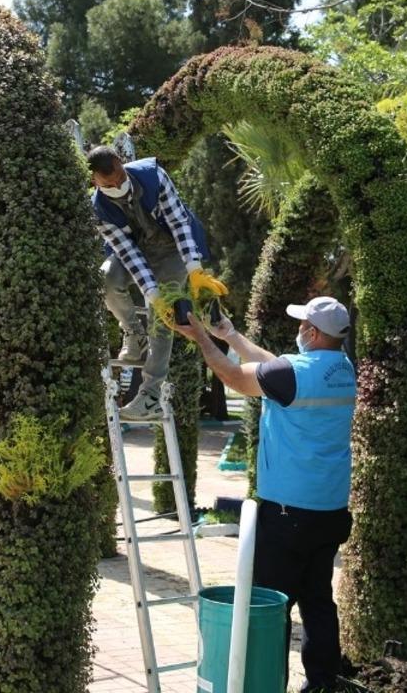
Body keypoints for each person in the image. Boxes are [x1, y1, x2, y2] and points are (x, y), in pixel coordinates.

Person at [174, 296, 356, 692]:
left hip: (288, 516)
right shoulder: (342, 369)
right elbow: (278, 367)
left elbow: (237, 378)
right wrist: (232, 336)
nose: (299, 331)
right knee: (318, 602)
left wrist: (203, 339)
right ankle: (323, 684)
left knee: (270, 608)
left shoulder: (295, 374)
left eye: (302, 324)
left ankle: (264, 683)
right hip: (329, 512)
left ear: (311, 332)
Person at [88, 144, 227, 420]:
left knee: (160, 318)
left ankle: (151, 393)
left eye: (119, 178)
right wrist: (151, 292)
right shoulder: (98, 210)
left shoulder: (154, 177)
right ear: (95, 181)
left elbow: (178, 224)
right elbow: (128, 254)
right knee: (105, 279)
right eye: (109, 184)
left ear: (121, 164)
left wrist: (195, 269)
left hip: (172, 250)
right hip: (136, 252)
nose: (118, 186)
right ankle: (133, 333)